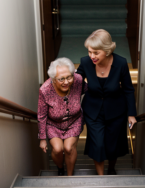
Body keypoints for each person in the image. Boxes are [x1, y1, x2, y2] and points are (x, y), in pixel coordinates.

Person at [76, 29, 137, 175]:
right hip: (93, 111)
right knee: (97, 145)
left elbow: (128, 89)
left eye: (96, 52)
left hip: (116, 111)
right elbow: (76, 83)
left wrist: (131, 114)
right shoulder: (85, 62)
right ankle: (101, 179)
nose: (92, 56)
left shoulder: (121, 63)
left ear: (107, 50)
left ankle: (111, 168)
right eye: (90, 51)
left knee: (112, 146)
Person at [37, 57, 86, 176]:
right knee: (58, 149)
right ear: (53, 79)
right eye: (61, 79)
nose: (66, 82)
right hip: (53, 124)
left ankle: (69, 177)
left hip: (74, 121)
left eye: (69, 77)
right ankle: (60, 168)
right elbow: (42, 115)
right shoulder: (45, 90)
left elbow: (92, 91)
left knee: (69, 148)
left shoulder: (78, 80)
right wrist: (42, 138)